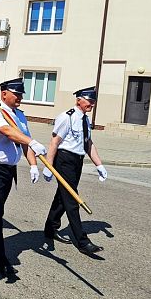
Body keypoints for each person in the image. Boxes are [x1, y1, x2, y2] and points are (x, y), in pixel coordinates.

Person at [0, 77, 47, 277]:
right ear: (4, 93)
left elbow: (24, 142)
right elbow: (8, 132)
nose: (20, 97)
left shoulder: (19, 115)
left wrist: (33, 164)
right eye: (17, 93)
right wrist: (31, 141)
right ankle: (0, 258)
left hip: (8, 169)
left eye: (21, 94)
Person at [43, 86, 108, 255]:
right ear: (79, 99)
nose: (92, 104)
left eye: (94, 101)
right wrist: (49, 167)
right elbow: (54, 143)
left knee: (62, 196)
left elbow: (88, 144)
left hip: (77, 162)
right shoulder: (66, 117)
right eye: (89, 100)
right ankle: (82, 241)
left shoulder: (85, 120)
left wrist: (99, 164)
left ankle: (50, 228)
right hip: (64, 160)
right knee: (72, 200)